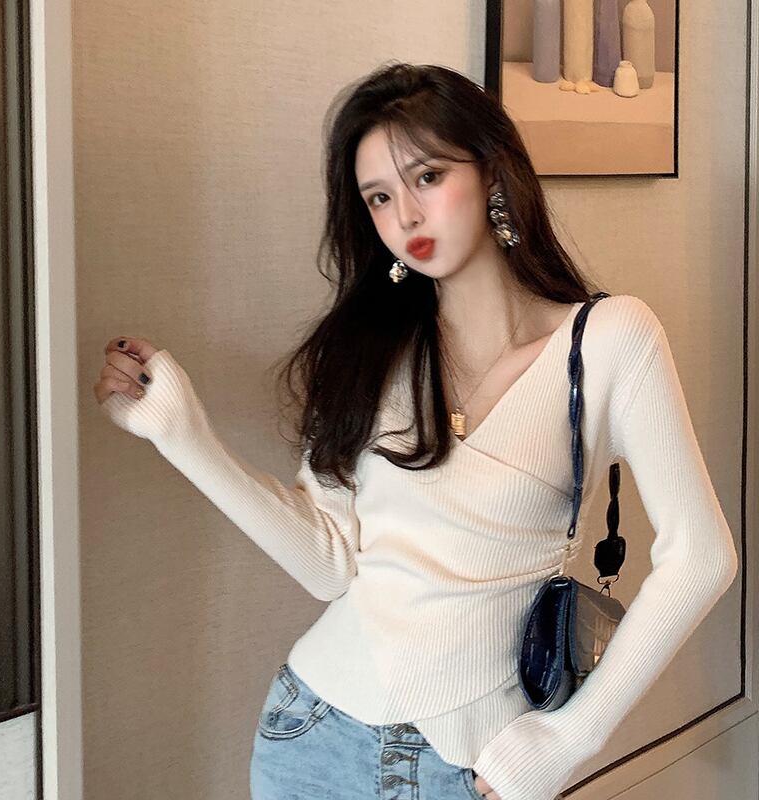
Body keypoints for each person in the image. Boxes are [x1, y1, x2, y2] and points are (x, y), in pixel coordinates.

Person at [93, 62, 739, 800]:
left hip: (469, 763)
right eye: (379, 196)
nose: (404, 216)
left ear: (492, 172)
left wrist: (567, 740)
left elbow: (702, 557)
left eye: (427, 177)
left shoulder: (610, 339)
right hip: (308, 735)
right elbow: (327, 563)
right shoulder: (369, 353)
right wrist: (181, 435)